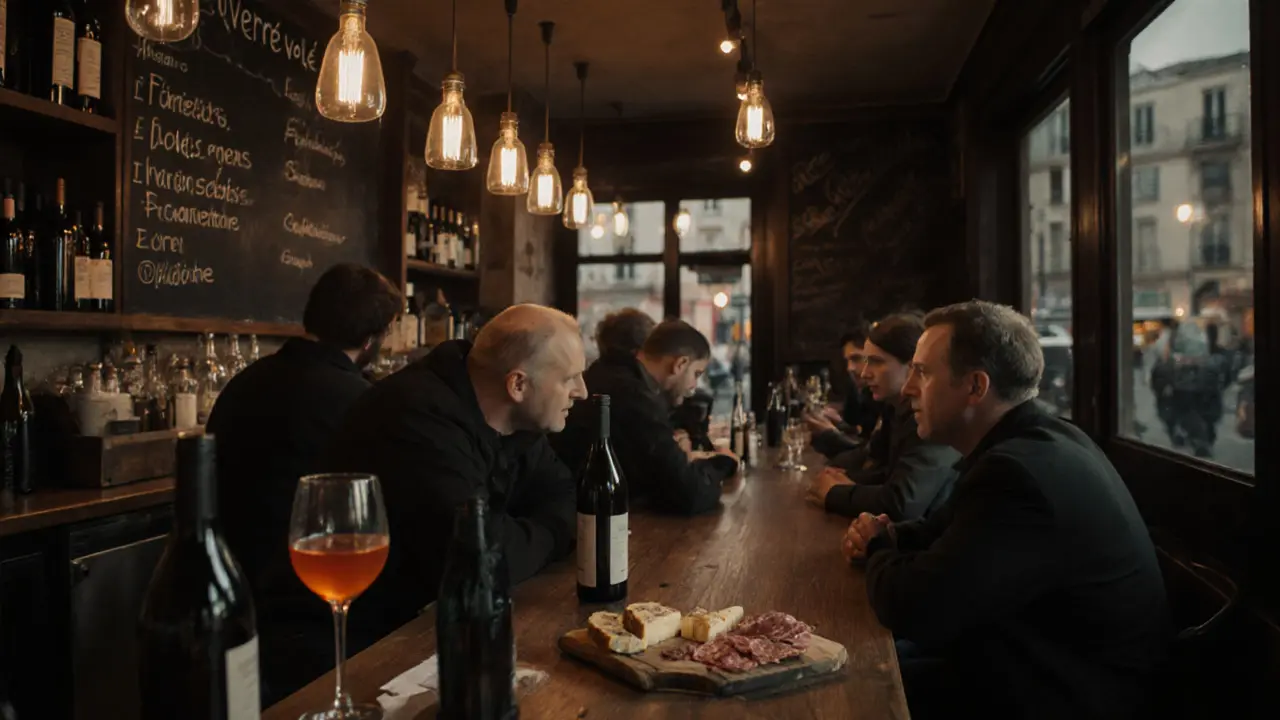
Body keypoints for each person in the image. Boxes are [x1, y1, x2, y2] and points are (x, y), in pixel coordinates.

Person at [843, 300, 1168, 719]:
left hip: (1065, 694)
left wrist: (875, 546)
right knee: (855, 668)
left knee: (851, 688)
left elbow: (915, 610)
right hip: (1028, 662)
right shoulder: (1034, 440)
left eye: (922, 372)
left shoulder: (1017, 475)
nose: (908, 389)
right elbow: (936, 531)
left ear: (976, 387)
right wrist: (891, 536)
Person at [323, 306, 585, 667]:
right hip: (354, 646)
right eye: (570, 378)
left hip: (433, 627)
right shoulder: (415, 415)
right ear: (518, 384)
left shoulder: (518, 422)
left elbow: (567, 495)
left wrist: (531, 534)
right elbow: (482, 555)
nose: (582, 392)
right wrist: (553, 533)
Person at [205, 262, 402, 706]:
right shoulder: (361, 400)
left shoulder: (243, 383)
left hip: (223, 595)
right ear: (374, 338)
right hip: (306, 609)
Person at [552, 319, 739, 515]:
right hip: (583, 522)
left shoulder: (614, 373)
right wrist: (723, 463)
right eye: (696, 373)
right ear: (680, 364)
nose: (694, 385)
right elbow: (689, 494)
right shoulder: (633, 396)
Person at [805, 313, 958, 521]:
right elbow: (880, 468)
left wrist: (836, 492)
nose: (864, 373)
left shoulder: (930, 415)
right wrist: (837, 479)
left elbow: (903, 502)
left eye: (876, 362)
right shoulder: (893, 408)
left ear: (912, 364)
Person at [806, 326, 881, 457]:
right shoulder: (863, 391)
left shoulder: (884, 397)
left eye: (856, 359)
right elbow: (863, 433)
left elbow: (871, 457)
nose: (849, 368)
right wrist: (840, 424)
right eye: (847, 361)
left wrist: (830, 433)